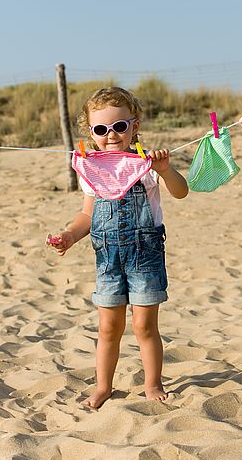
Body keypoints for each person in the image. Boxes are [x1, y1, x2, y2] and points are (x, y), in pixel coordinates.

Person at [47, 86, 189, 408]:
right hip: (108, 259)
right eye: (101, 129)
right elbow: (87, 213)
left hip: (145, 256)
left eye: (119, 126)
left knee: (144, 326)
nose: (111, 135)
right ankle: (102, 386)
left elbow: (181, 192)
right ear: (91, 133)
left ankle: (153, 384)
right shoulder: (92, 169)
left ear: (134, 127)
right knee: (108, 327)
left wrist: (165, 170)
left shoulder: (146, 164)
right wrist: (69, 235)